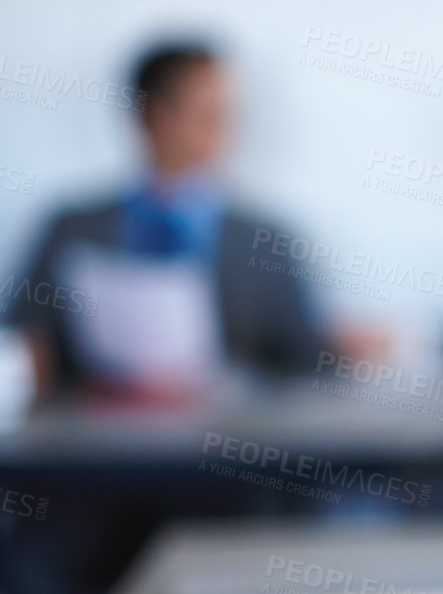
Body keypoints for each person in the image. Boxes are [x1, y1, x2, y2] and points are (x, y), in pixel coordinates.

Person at [3, 41, 337, 403]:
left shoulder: (266, 238)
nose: (223, 129)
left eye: (226, 114)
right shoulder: (72, 229)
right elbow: (28, 342)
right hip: (96, 441)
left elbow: (304, 362)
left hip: (229, 442)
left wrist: (338, 350)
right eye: (207, 114)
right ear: (154, 116)